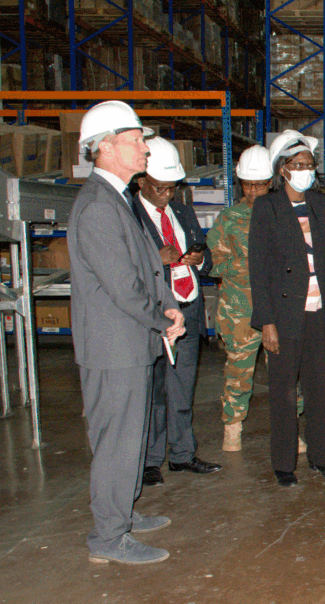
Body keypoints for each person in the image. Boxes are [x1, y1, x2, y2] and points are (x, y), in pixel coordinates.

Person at [68, 101, 184, 565]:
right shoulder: (99, 206)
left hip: (129, 342)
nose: (144, 149)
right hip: (113, 346)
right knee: (116, 440)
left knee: (130, 435)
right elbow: (121, 285)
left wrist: (167, 303)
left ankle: (122, 513)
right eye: (135, 140)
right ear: (105, 147)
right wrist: (162, 319)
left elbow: (146, 265)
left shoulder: (118, 197)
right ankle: (108, 537)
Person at [248, 130, 325, 487]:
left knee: (319, 388)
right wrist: (266, 322)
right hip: (284, 314)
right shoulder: (267, 207)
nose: (305, 170)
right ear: (283, 170)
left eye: (309, 165)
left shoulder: (321, 205)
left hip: (319, 311)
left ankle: (321, 457)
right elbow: (259, 268)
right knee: (284, 392)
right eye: (298, 165)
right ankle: (284, 463)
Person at [132, 137, 221, 486]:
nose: (167, 195)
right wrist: (156, 259)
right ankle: (151, 460)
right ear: (142, 181)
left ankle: (182, 454)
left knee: (183, 388)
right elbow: (122, 267)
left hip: (189, 309)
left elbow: (208, 257)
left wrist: (200, 259)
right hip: (154, 316)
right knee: (155, 391)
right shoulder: (128, 215)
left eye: (172, 188)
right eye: (160, 188)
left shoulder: (183, 212)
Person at [207, 145, 278, 453]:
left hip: (278, 306)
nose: (253, 191)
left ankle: (289, 428)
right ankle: (232, 427)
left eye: (259, 185)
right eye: (248, 185)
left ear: (270, 183)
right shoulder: (229, 218)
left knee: (285, 371)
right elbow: (214, 262)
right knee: (239, 370)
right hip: (239, 309)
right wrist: (249, 265)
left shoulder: (283, 214)